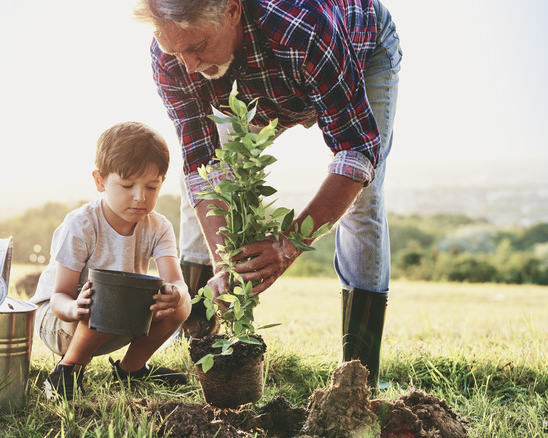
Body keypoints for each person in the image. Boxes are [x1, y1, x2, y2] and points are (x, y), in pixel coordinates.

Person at [133, 0, 402, 390]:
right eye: (176, 51)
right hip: (260, 80)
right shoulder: (172, 57)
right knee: (212, 183)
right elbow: (201, 166)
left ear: (232, 10)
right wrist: (226, 264)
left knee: (364, 200)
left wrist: (288, 243)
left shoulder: (302, 27)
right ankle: (198, 338)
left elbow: (356, 152)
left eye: (197, 47)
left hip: (356, 50)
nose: (188, 65)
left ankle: (358, 378)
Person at [29, 121, 191, 400]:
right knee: (109, 295)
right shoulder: (81, 225)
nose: (140, 197)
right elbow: (58, 298)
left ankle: (131, 369)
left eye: (152, 187)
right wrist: (76, 307)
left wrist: (176, 294)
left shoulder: (159, 226)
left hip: (118, 318)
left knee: (182, 302)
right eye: (127, 185)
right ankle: (66, 372)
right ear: (100, 181)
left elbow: (177, 281)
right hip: (62, 322)